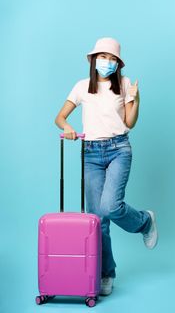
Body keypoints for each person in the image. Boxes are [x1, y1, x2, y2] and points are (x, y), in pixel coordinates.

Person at [55, 37, 158, 296]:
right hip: (90, 154)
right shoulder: (81, 87)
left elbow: (130, 122)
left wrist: (136, 99)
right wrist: (67, 128)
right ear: (93, 59)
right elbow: (60, 117)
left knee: (111, 207)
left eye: (113, 59)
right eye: (103, 57)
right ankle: (106, 273)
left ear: (118, 64)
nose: (107, 62)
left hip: (118, 149)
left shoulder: (123, 85)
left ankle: (144, 222)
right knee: (97, 219)